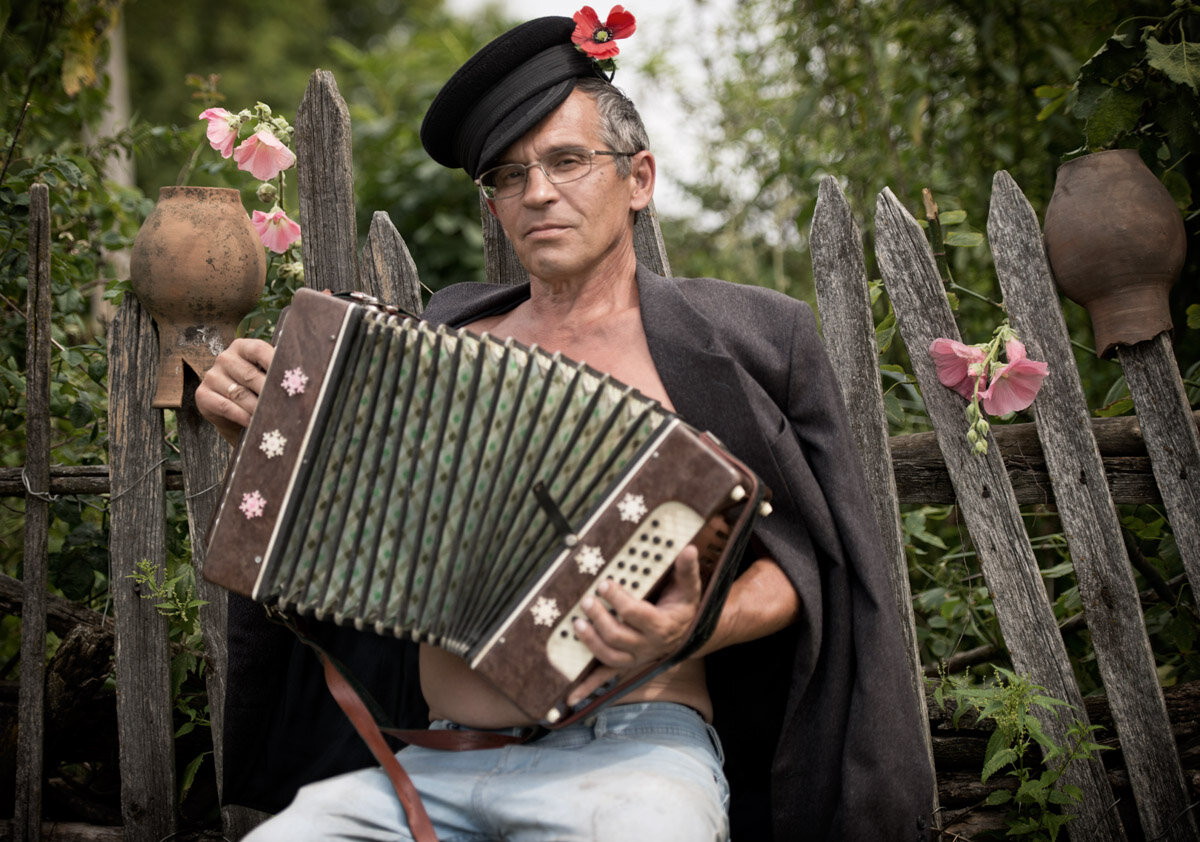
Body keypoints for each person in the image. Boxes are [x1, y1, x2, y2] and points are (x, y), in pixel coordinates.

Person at [197, 12, 933, 842]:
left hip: (636, 763)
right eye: (508, 176)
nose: (537, 193)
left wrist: (695, 626)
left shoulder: (752, 340)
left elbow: (812, 565)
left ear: (640, 176)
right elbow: (356, 541)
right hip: (434, 757)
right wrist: (270, 441)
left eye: (568, 160)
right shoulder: (440, 349)